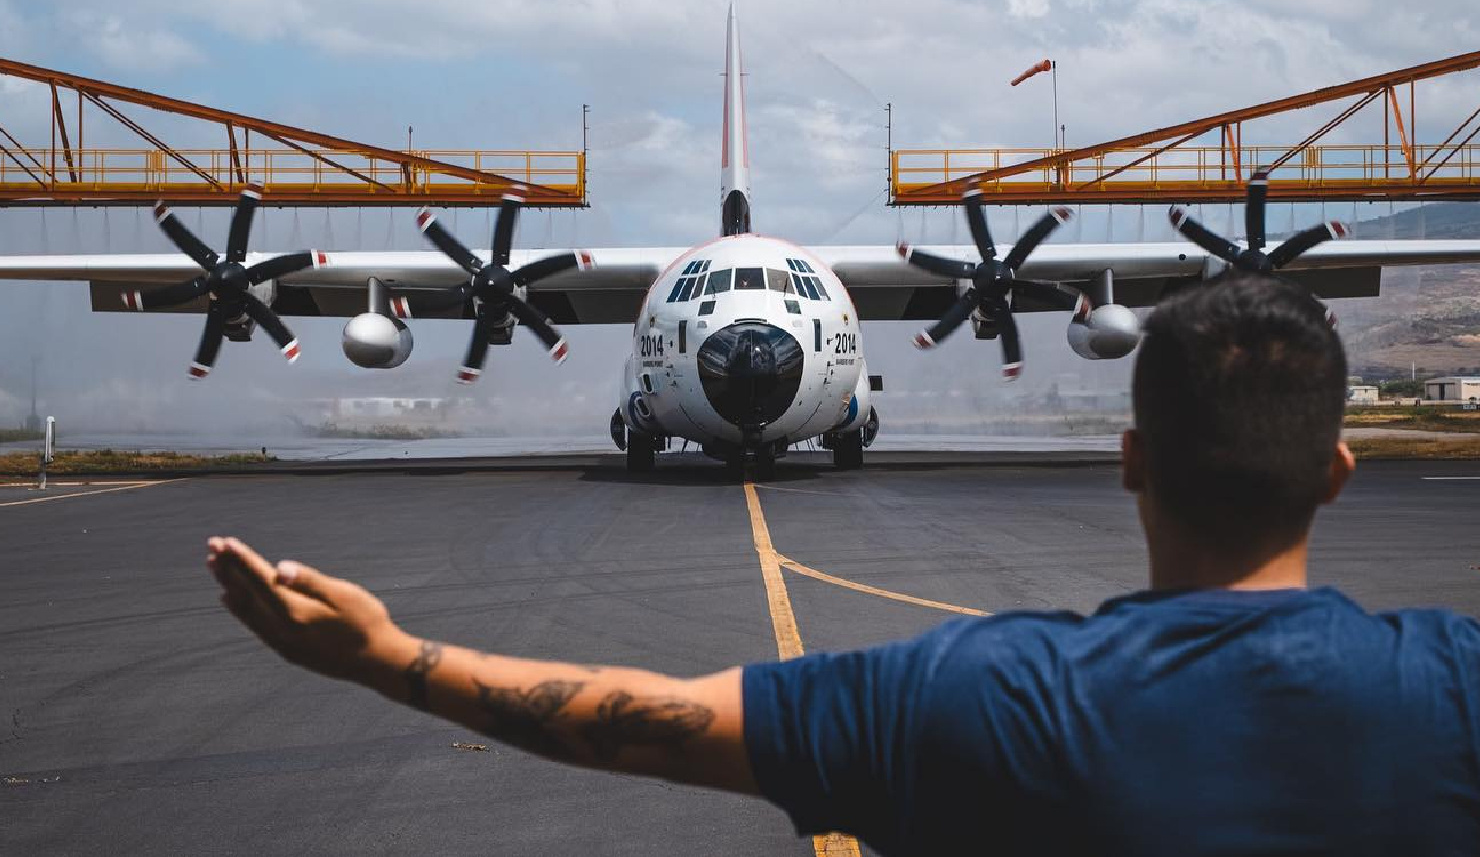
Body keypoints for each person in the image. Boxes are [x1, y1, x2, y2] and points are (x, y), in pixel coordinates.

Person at [207, 274, 1480, 854]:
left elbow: (638, 725)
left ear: (1130, 460)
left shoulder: (973, 694)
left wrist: (386, 656)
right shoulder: (1458, 684)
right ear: (1337, 468)